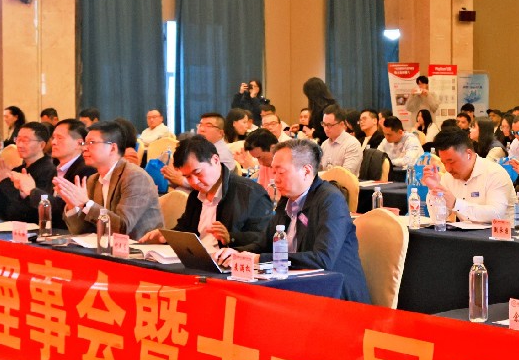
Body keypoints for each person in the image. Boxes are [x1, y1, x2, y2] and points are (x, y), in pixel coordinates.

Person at [263, 139, 369, 300]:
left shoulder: (330, 201)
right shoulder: (287, 199)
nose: (275, 179)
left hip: (336, 294)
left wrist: (261, 259)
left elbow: (322, 260)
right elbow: (263, 244)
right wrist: (236, 254)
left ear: (306, 171)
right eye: (274, 172)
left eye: (281, 172)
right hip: (298, 286)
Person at [144, 134, 273, 252]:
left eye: (198, 173)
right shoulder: (196, 195)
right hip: (197, 260)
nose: (194, 182)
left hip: (227, 263)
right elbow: (185, 230)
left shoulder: (251, 193)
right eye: (187, 177)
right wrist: (167, 236)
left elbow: (265, 239)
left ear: (215, 160)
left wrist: (231, 237)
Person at [60, 122, 161, 239]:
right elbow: (83, 231)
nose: (84, 148)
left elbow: (122, 228)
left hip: (140, 247)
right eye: (84, 143)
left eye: (91, 143)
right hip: (105, 246)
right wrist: (73, 206)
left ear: (112, 148)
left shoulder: (136, 177)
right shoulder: (93, 180)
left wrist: (86, 204)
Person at [423, 122, 514, 221]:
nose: (448, 169)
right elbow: (438, 217)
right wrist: (434, 188)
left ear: (468, 154)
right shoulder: (448, 177)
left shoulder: (494, 173)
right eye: (444, 163)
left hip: (502, 230)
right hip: (465, 231)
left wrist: (455, 204)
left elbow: (496, 214)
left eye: (451, 162)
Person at [0, 121, 57, 221]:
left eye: (25, 141)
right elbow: (0, 210)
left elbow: (30, 212)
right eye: (18, 139)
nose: (19, 145)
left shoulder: (49, 171)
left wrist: (5, 182)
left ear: (41, 145)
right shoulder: (17, 170)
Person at [319, 109, 364, 175]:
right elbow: (318, 169)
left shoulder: (352, 144)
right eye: (324, 124)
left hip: (345, 181)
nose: (326, 128)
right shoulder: (324, 144)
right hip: (326, 180)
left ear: (342, 124)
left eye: (329, 125)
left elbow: (346, 174)